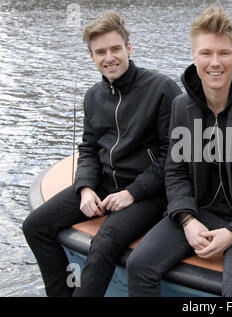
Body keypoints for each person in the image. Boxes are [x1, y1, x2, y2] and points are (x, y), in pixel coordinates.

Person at [126, 5, 232, 297]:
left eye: (224, 53)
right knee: (138, 266)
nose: (215, 63)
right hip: (199, 211)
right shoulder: (182, 106)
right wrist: (187, 219)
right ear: (194, 57)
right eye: (206, 53)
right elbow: (176, 170)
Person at [22, 10, 181, 297]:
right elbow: (88, 149)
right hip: (105, 184)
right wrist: (84, 188)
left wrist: (132, 192)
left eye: (115, 49)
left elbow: (173, 155)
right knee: (35, 226)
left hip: (149, 192)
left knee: (104, 242)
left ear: (128, 48)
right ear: (91, 56)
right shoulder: (93, 97)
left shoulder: (161, 88)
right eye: (101, 52)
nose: (109, 57)